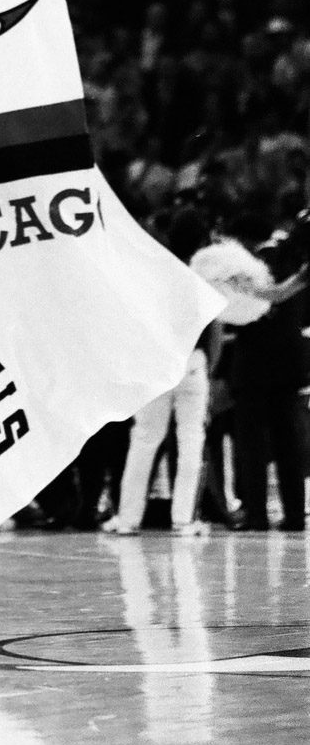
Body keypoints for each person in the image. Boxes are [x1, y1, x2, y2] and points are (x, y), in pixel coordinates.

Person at [106, 206, 225, 537]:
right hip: (192, 361)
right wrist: (208, 368)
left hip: (156, 361)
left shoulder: (154, 269)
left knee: (144, 440)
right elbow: (214, 327)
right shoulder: (205, 272)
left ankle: (128, 519)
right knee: (191, 440)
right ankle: (184, 520)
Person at [221, 208, 309, 531]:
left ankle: (257, 514)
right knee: (290, 444)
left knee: (252, 444)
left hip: (255, 363)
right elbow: (282, 295)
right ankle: (296, 515)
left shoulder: (257, 262)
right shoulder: (299, 262)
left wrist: (237, 286)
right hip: (291, 362)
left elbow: (266, 300)